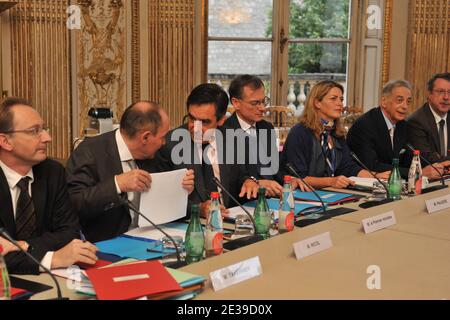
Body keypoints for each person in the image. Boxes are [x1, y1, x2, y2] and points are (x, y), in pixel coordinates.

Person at [66, 101, 195, 243]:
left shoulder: (158, 154)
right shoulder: (89, 152)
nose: (164, 142)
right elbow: (74, 204)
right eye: (162, 137)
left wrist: (181, 192)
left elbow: (172, 211)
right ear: (145, 137)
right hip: (107, 245)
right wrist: (117, 184)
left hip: (156, 241)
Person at [0, 97, 98, 275]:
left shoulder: (52, 172)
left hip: (46, 278)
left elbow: (70, 233)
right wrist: (53, 258)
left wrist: (24, 245)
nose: (47, 138)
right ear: (6, 141)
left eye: (44, 129)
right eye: (34, 131)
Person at [155, 83, 259, 218]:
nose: (196, 127)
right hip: (190, 225)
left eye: (204, 122)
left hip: (229, 220)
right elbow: (161, 200)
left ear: (221, 120)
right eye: (192, 119)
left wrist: (248, 181)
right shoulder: (169, 145)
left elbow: (241, 176)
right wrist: (197, 209)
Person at [280, 80, 390, 189]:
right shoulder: (300, 132)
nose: (340, 103)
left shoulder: (336, 133)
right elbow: (298, 177)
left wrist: (376, 176)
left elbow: (348, 167)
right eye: (333, 99)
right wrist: (331, 181)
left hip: (332, 193)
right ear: (317, 103)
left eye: (341, 99)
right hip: (304, 195)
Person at [347, 80, 445, 179]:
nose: (405, 106)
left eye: (408, 101)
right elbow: (372, 166)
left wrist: (434, 166)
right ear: (384, 102)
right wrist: (418, 173)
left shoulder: (402, 125)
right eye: (399, 100)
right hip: (362, 182)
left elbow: (407, 158)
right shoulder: (365, 125)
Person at [225, 75, 297, 197]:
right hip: (244, 202)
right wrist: (258, 183)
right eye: (255, 103)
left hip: (273, 198)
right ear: (236, 103)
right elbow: (230, 180)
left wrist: (290, 179)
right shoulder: (225, 132)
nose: (262, 108)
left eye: (264, 101)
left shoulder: (266, 127)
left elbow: (274, 169)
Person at [407, 72, 450, 164]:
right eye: (440, 91)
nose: (446, 97)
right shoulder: (416, 121)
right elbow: (427, 159)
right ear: (429, 94)